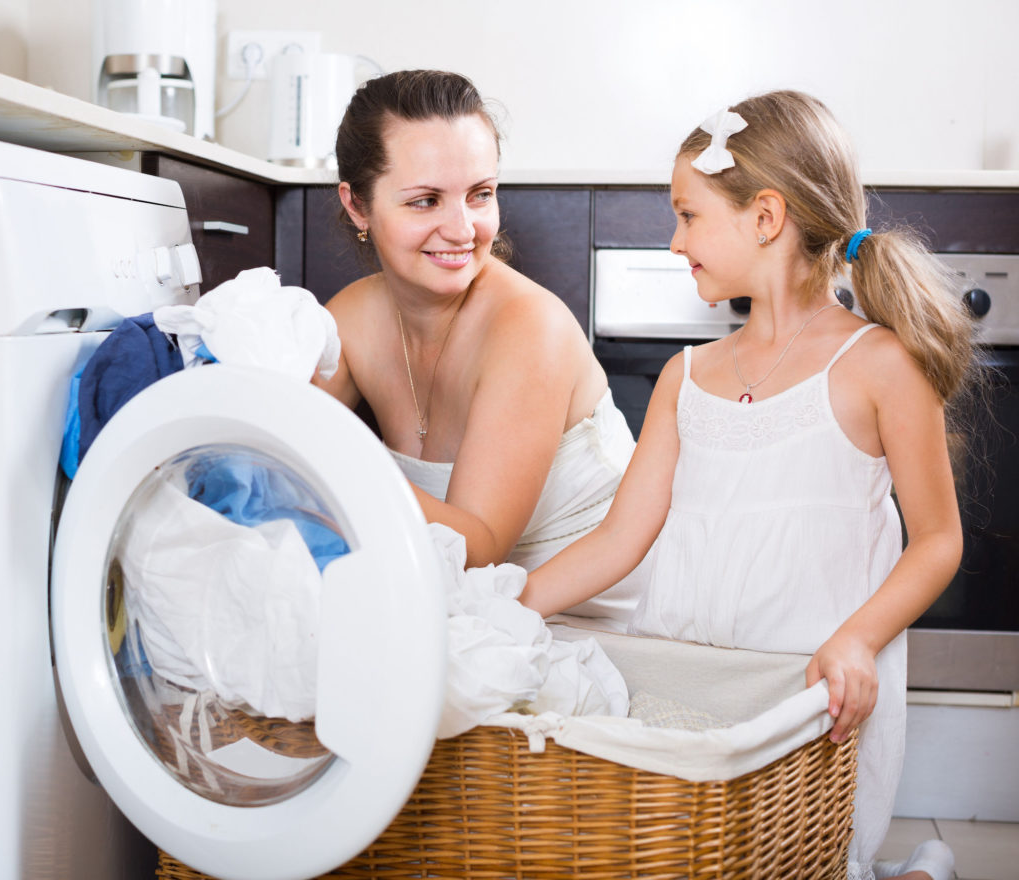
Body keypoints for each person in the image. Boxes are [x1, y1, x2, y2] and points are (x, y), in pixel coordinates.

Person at [519, 90, 973, 880]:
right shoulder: (685, 375)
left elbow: (938, 539)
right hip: (690, 700)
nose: (672, 241)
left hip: (812, 700)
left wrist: (858, 638)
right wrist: (504, 608)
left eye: (688, 216)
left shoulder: (878, 367)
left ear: (765, 218)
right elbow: (622, 539)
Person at [313, 69, 647, 629]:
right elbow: (275, 446)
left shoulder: (529, 327)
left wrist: (333, 461)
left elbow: (479, 546)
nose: (462, 228)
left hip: (600, 619)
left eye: (480, 194)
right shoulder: (351, 319)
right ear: (358, 206)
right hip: (467, 611)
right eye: (425, 201)